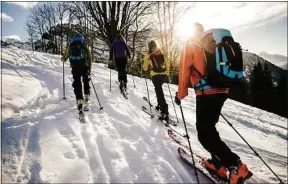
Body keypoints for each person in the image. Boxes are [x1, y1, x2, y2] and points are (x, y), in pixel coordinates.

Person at [174, 23, 252, 184]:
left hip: (206, 93)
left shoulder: (191, 45)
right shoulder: (212, 43)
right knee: (209, 129)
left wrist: (180, 94)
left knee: (204, 133)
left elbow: (184, 71)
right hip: (222, 90)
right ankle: (218, 163)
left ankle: (236, 165)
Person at [61, 31, 92, 112]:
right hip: (84, 66)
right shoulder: (83, 46)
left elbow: (65, 57)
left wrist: (63, 58)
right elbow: (89, 56)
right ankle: (86, 98)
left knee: (77, 83)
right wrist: (89, 68)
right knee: (86, 81)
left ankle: (79, 101)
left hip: (75, 67)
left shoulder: (70, 45)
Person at [143, 40, 169, 121]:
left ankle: (165, 112)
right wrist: (167, 72)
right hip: (164, 74)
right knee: (158, 89)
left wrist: (145, 68)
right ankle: (159, 105)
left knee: (159, 91)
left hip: (155, 75)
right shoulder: (160, 52)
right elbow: (167, 63)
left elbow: (145, 68)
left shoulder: (148, 54)